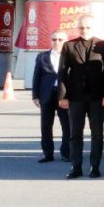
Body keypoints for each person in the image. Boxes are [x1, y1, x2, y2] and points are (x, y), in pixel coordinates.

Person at [57, 14, 104, 179]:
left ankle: (95, 167)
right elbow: (62, 72)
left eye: (88, 27)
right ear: (78, 28)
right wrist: (62, 96)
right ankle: (75, 167)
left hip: (98, 97)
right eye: (81, 27)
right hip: (75, 97)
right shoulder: (69, 46)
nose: (84, 30)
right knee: (75, 133)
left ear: (93, 27)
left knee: (96, 133)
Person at [33, 30, 72, 163]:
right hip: (46, 95)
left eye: (60, 39)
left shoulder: (71, 56)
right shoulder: (42, 56)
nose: (57, 42)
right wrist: (35, 96)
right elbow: (36, 77)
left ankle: (66, 152)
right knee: (45, 126)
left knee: (67, 126)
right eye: (54, 39)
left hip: (64, 95)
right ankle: (47, 153)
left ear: (65, 41)